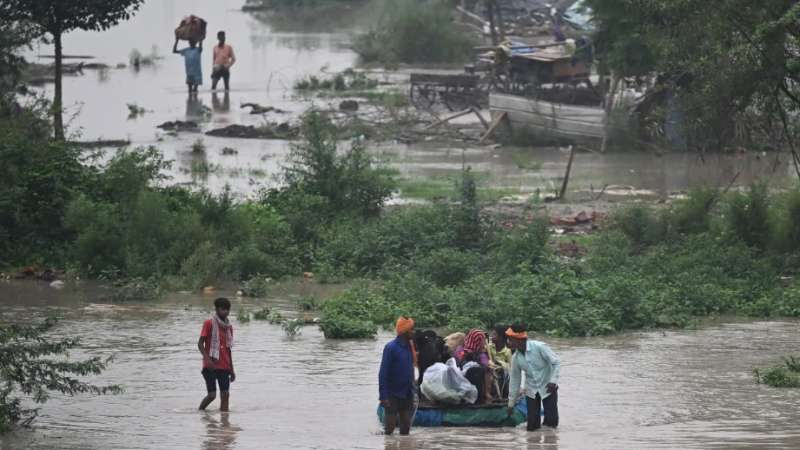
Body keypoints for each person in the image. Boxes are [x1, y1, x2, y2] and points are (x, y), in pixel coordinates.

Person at [506, 324, 560, 431]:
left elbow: (556, 362)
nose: (508, 342)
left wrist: (553, 381)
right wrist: (511, 403)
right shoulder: (516, 358)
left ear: (519, 340)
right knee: (532, 427)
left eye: (510, 339)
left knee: (552, 423)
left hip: (548, 387)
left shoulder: (539, 347)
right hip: (531, 390)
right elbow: (515, 381)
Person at [379, 316, 417, 435]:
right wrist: (383, 396)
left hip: (407, 393)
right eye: (411, 329)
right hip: (392, 394)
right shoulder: (391, 348)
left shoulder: (410, 348)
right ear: (404, 332)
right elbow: (383, 373)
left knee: (405, 430)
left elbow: (411, 370)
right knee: (389, 431)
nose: (413, 332)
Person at [198, 297, 236, 411]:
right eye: (223, 309)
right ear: (217, 309)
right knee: (212, 395)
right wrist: (207, 359)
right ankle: (200, 412)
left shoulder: (229, 328)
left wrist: (232, 369)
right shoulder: (208, 324)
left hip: (224, 366)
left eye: (228, 310)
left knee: (225, 395)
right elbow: (200, 343)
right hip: (211, 365)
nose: (226, 312)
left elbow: (229, 350)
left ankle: (224, 421)